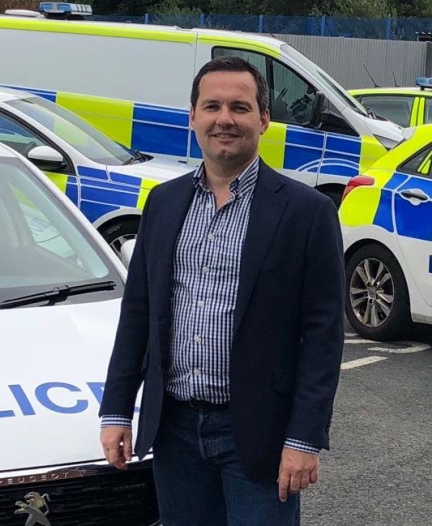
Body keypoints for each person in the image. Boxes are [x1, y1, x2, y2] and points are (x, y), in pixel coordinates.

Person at [98, 55, 345, 526]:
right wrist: (115, 411)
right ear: (193, 117)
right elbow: (139, 312)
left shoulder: (306, 213)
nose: (224, 119)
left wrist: (304, 439)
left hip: (258, 434)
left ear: (264, 119)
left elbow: (323, 335)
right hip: (173, 429)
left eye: (240, 107)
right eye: (212, 106)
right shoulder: (164, 202)